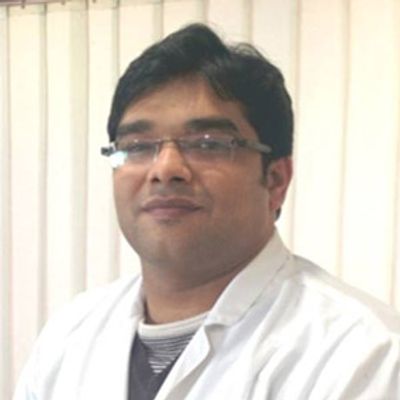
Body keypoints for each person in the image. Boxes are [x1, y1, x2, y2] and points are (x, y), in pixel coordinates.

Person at [14, 23, 399, 400]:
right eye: (137, 146)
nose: (165, 169)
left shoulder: (363, 355)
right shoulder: (69, 338)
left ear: (276, 180)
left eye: (208, 143)